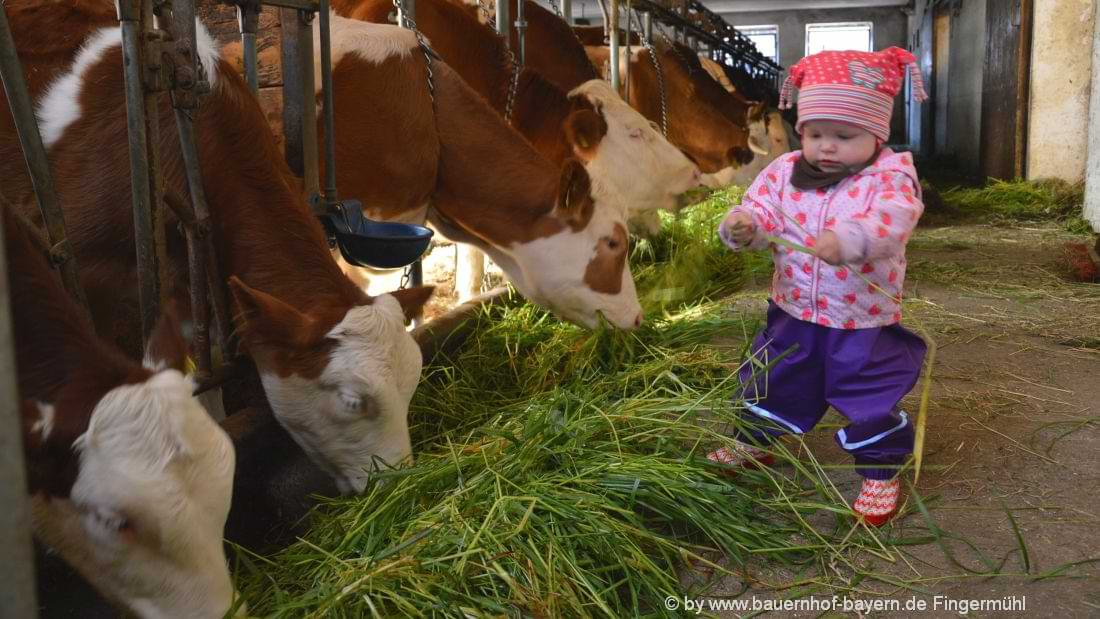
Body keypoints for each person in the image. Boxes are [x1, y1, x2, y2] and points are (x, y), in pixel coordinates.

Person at [709, 47, 929, 527]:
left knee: (867, 392)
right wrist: (743, 224)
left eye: (843, 136)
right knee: (771, 376)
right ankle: (754, 442)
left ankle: (881, 471)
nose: (826, 146)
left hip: (860, 319)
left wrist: (851, 238)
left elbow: (894, 220)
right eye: (814, 134)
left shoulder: (890, 176)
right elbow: (761, 208)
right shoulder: (785, 170)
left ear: (876, 132)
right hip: (792, 309)